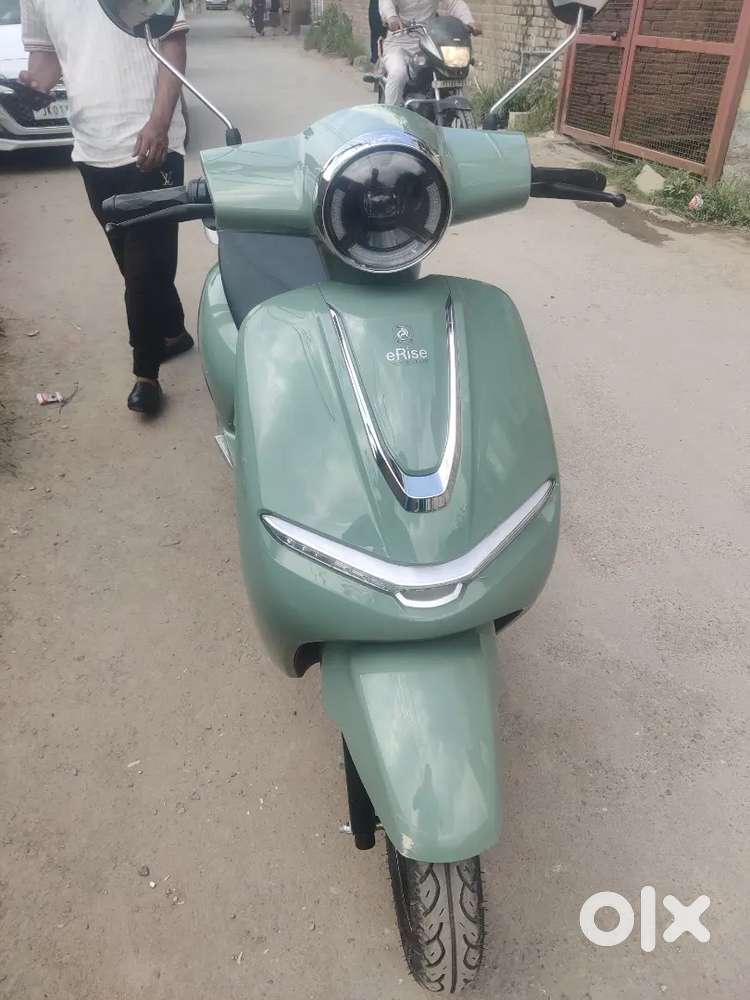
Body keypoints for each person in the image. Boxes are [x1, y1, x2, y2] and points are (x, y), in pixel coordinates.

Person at [20, 1, 193, 416]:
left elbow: (172, 43)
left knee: (143, 268)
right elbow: (48, 56)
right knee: (133, 262)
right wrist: (34, 89)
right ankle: (172, 332)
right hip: (91, 147)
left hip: (152, 143)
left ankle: (146, 374)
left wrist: (159, 122)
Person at [378, 0, 480, 107]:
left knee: (457, 70)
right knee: (398, 73)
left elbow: (454, 2)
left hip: (428, 41)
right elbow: (386, 2)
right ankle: (391, 113)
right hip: (399, 41)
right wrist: (391, 17)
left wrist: (468, 21)